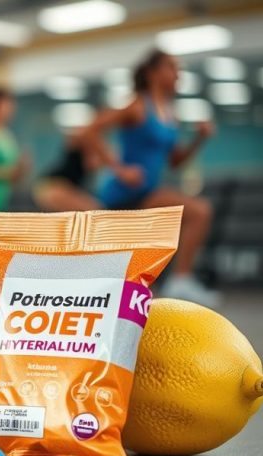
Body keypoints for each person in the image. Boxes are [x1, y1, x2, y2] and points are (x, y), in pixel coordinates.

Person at [84, 49, 217, 306]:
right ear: (152, 73)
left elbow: (175, 162)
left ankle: (178, 282)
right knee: (199, 211)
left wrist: (199, 139)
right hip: (125, 194)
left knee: (139, 285)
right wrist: (119, 168)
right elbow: (90, 130)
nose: (178, 74)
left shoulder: (169, 113)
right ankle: (181, 280)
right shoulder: (137, 105)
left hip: (148, 192)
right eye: (171, 67)